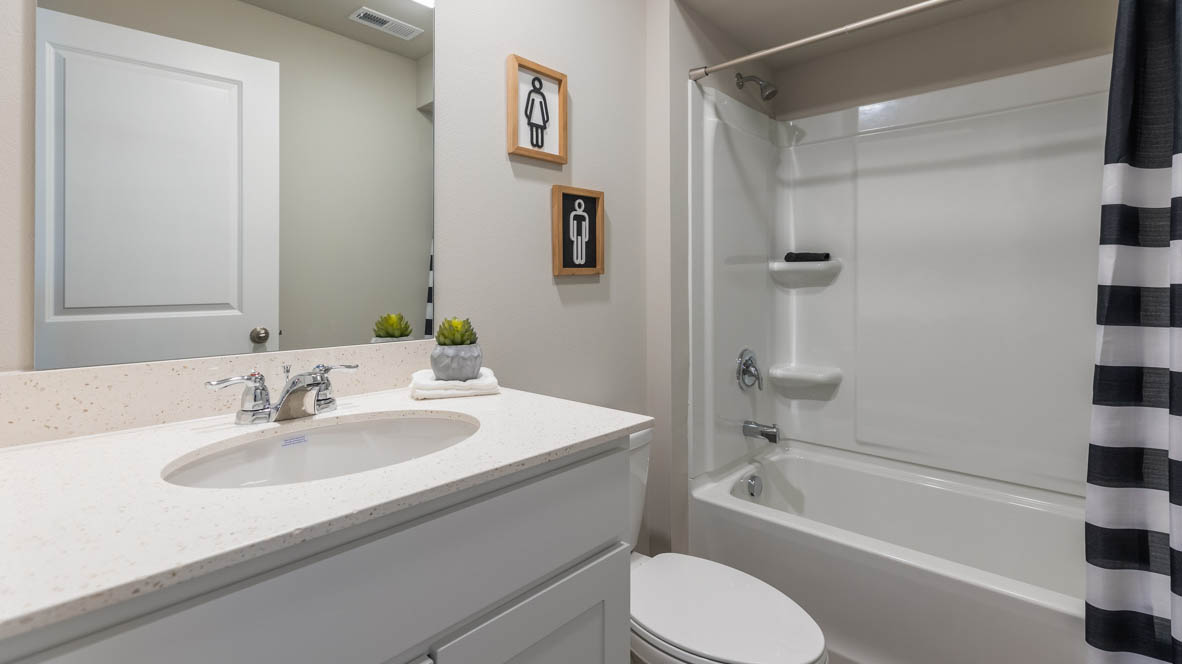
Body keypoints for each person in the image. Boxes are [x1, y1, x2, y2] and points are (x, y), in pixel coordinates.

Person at [524, 76, 549, 149]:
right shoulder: (532, 93)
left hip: (540, 118)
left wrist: (545, 119)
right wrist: (528, 115)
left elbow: (544, 107)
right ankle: (535, 142)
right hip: (533, 117)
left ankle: (539, 143)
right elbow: (528, 107)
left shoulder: (541, 95)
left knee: (540, 131)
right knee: (533, 130)